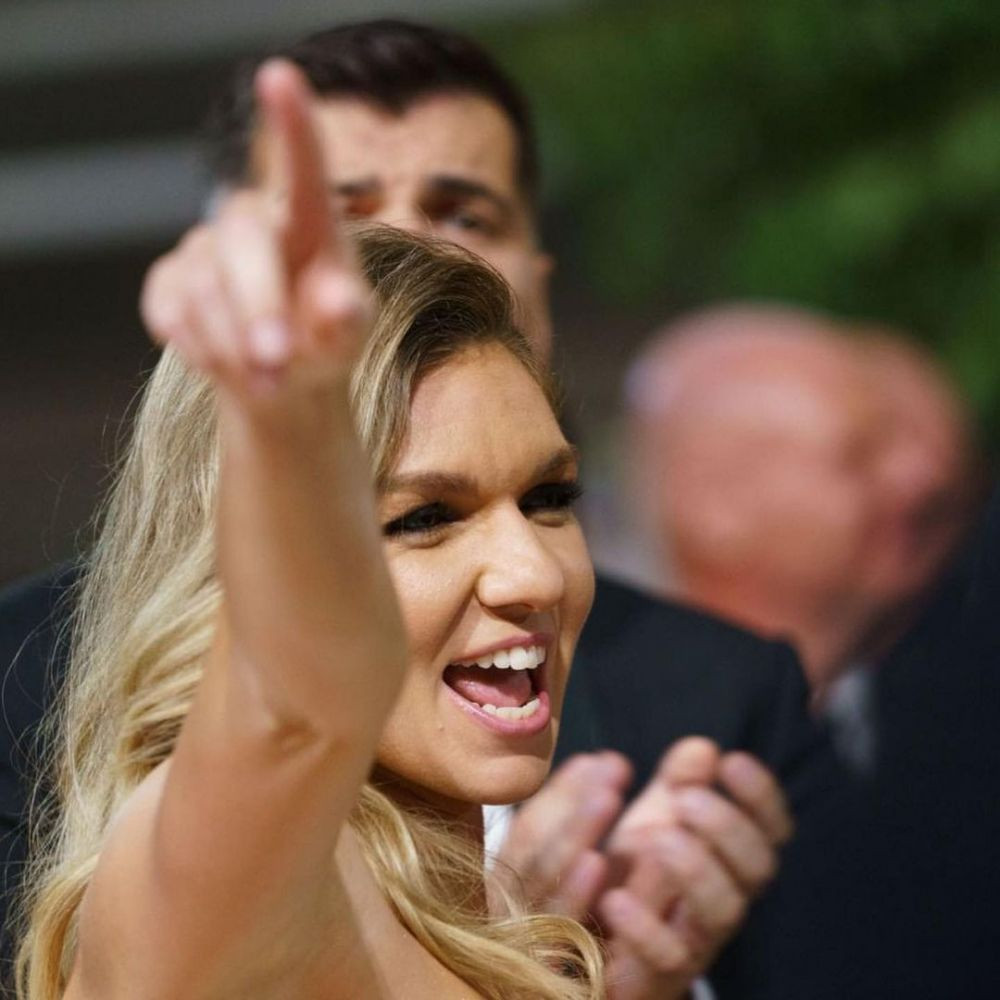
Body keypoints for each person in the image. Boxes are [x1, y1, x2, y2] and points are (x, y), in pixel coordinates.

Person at [2, 20, 828, 995]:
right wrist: (290, 426)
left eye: (549, 498)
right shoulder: (244, 875)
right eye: (425, 518)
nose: (532, 573)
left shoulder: (469, 913)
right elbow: (291, 712)